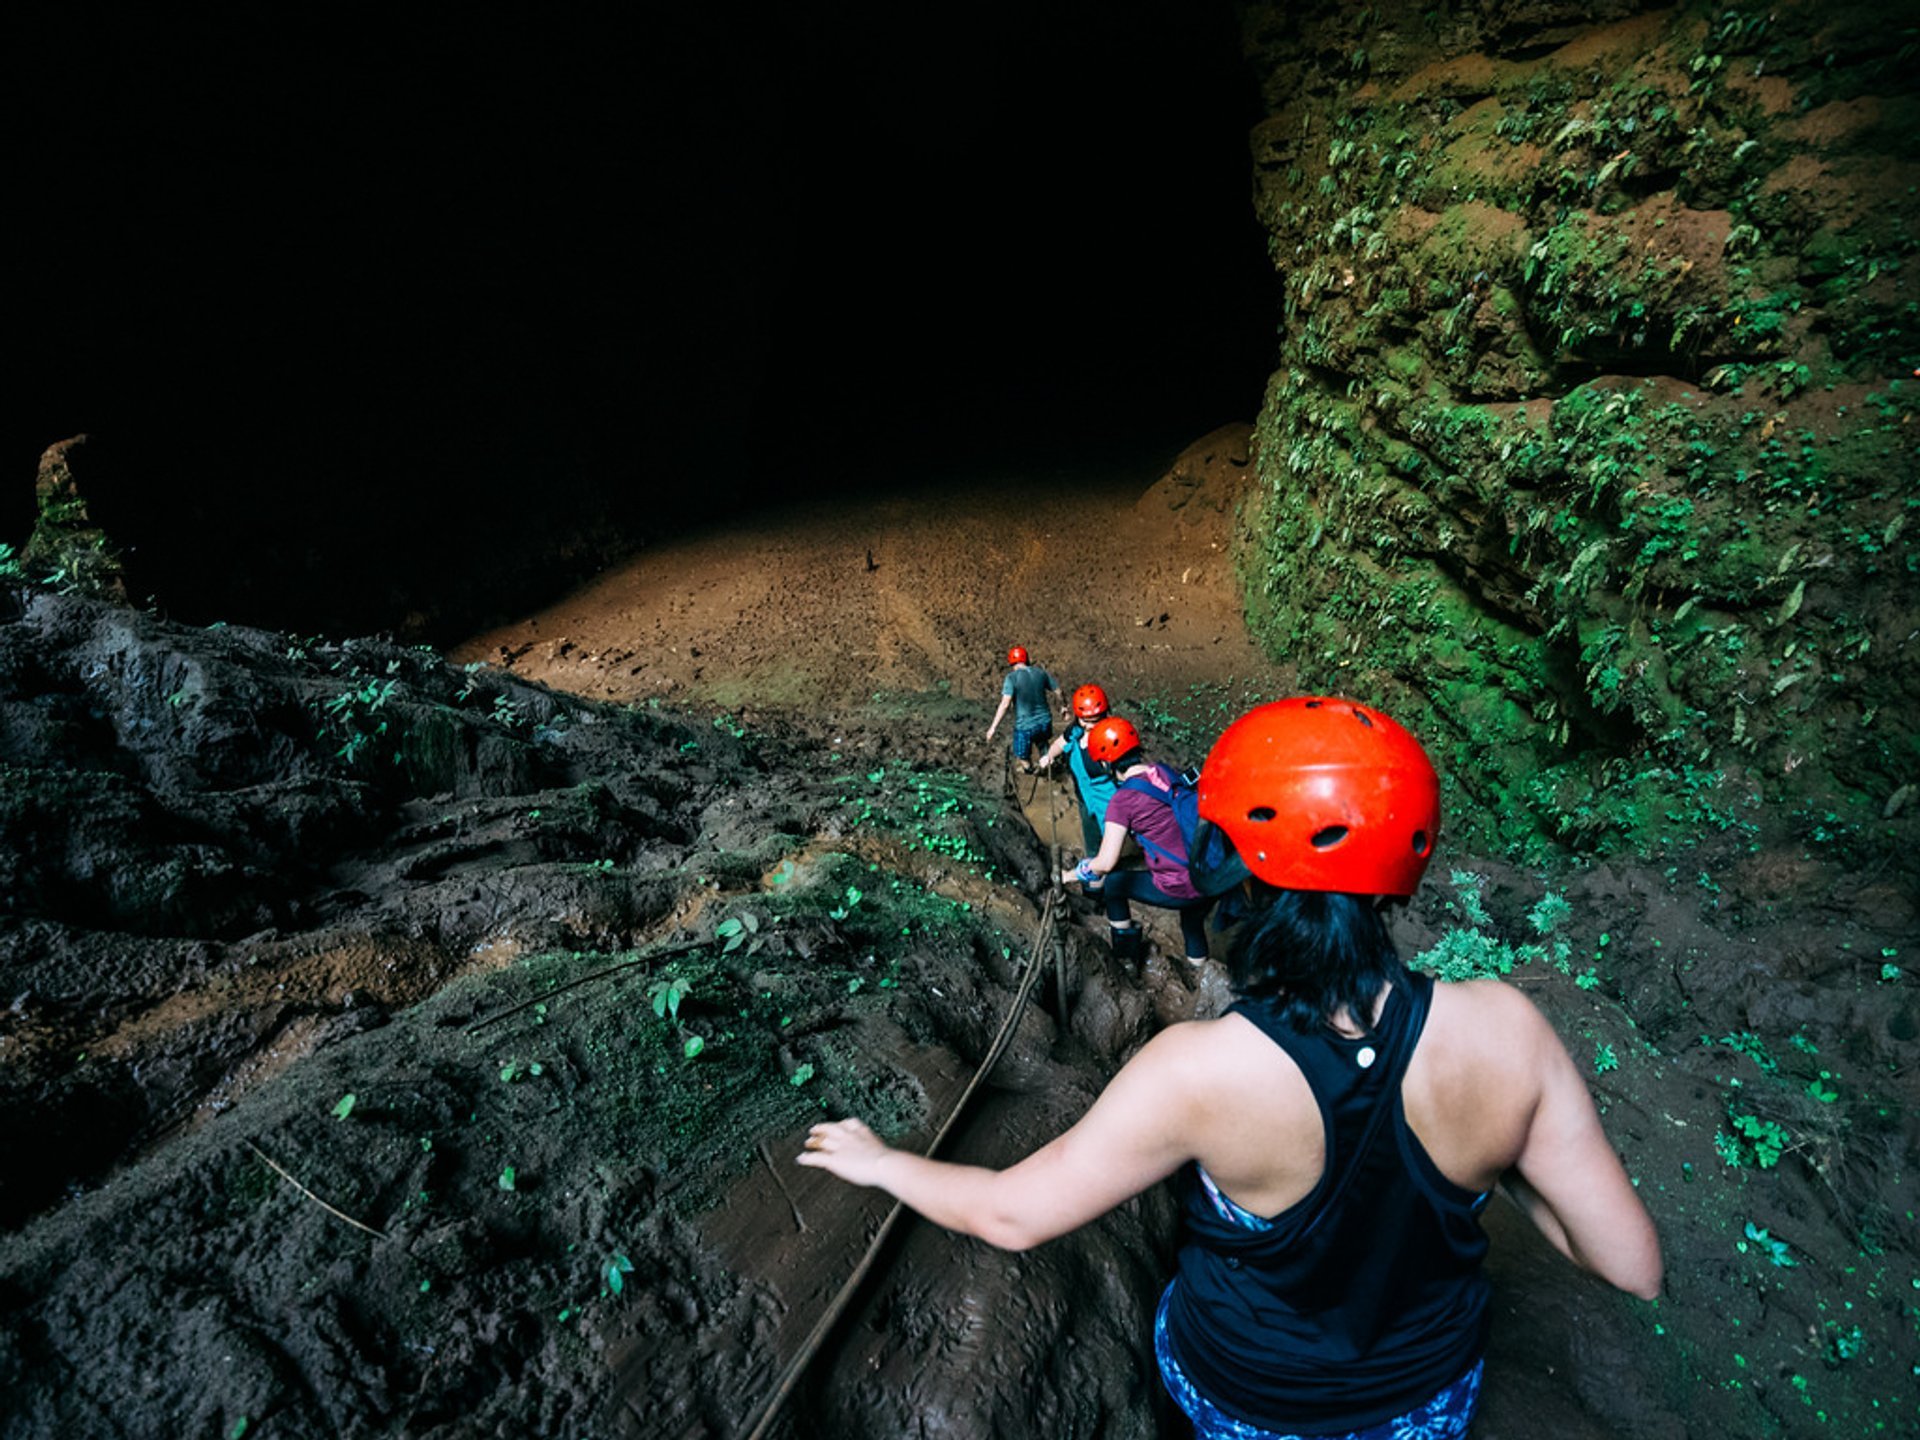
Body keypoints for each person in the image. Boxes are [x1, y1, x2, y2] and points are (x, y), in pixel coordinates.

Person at [798, 696, 1662, 1440]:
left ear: (1239, 869)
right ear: (1403, 866)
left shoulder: (1197, 1072)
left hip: (1248, 1399)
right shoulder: (1508, 1034)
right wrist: (1495, 1158)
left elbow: (1013, 1215)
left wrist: (883, 1163)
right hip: (1424, 1403)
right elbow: (1631, 1265)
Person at [1059, 715, 1215, 966]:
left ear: (1107, 765)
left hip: (1182, 885)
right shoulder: (1163, 771)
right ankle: (1201, 974)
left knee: (1115, 884)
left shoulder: (1122, 801)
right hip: (1209, 872)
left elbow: (1105, 862)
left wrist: (1070, 875)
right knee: (1192, 918)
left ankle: (1127, 961)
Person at [1032, 683, 1119, 890]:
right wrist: (1048, 757)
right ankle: (1094, 880)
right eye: (1085, 721)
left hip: (1110, 804)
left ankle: (1104, 885)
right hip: (1085, 799)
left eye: (1096, 720)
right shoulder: (1076, 731)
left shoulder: (1113, 737)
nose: (1090, 726)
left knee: (1110, 852)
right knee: (1092, 841)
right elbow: (1061, 743)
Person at [984, 645, 1057, 773]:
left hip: (1025, 726)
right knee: (1042, 742)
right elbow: (1059, 691)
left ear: (1012, 663)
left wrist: (993, 728)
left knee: (1022, 754)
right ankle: (1047, 762)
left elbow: (1005, 704)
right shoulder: (1040, 672)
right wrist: (1064, 708)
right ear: (1027, 660)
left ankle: (1030, 770)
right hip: (1045, 721)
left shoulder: (1011, 678)